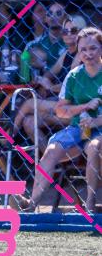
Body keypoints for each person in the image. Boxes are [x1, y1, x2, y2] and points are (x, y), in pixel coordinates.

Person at [10, 28, 102, 214]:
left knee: (94, 147)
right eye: (83, 50)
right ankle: (31, 203)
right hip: (78, 127)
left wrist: (96, 122)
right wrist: (83, 107)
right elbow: (61, 111)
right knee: (51, 150)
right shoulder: (74, 75)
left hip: (99, 130)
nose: (88, 54)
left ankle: (90, 205)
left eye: (93, 48)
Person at [12, 15, 87, 144]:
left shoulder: (81, 55)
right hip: (62, 105)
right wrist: (42, 81)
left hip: (77, 110)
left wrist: (50, 87)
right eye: (65, 31)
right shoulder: (67, 53)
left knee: (29, 103)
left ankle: (5, 140)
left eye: (74, 31)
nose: (68, 34)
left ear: (82, 33)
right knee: (29, 121)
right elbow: (51, 72)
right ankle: (48, 156)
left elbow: (70, 87)